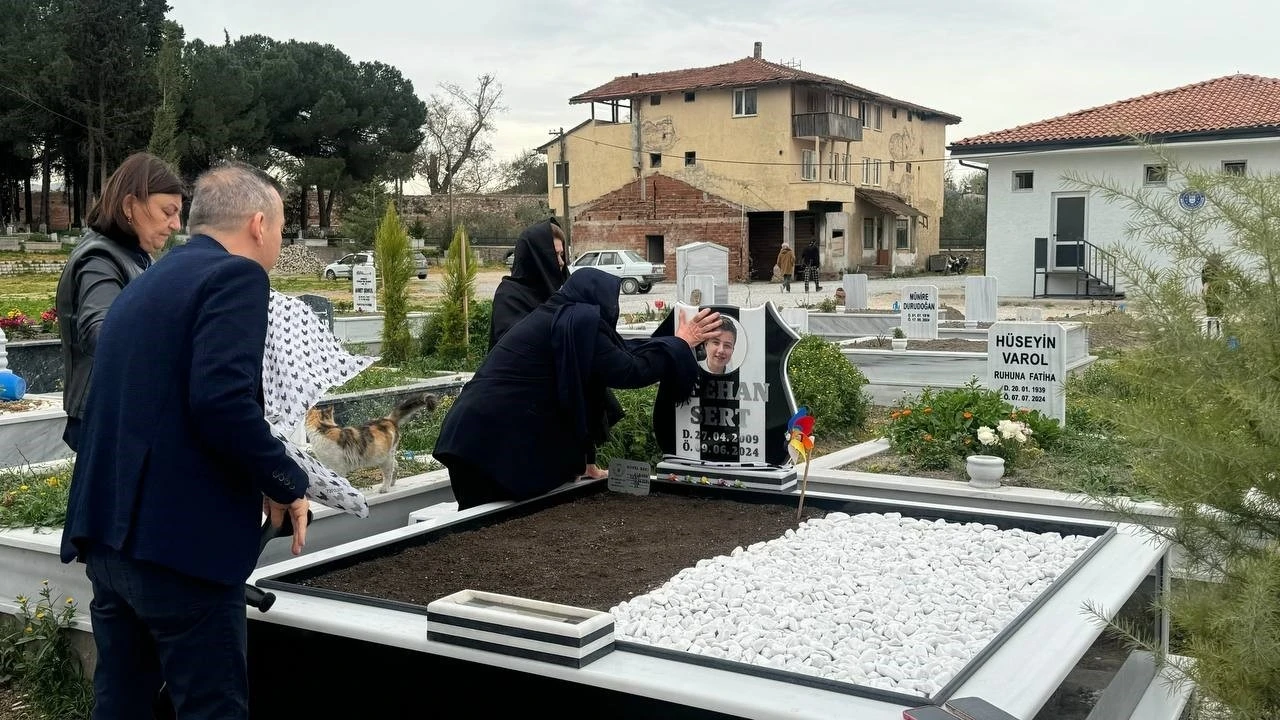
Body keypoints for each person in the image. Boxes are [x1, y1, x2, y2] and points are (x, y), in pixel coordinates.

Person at [59, 162, 311, 720]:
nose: (278, 241)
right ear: (258, 224)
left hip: (110, 538)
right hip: (179, 552)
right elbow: (221, 402)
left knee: (121, 703)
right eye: (281, 227)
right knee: (211, 707)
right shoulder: (237, 277)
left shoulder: (149, 280)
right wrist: (285, 481)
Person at [435, 267, 721, 510]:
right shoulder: (578, 322)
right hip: (487, 445)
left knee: (490, 530)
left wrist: (585, 463)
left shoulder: (560, 318)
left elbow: (606, 365)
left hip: (471, 436)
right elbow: (629, 370)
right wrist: (682, 342)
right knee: (489, 532)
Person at [54, 152, 183, 451]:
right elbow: (100, 332)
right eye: (168, 211)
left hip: (123, 411)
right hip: (108, 416)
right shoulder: (100, 258)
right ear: (129, 206)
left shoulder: (134, 256)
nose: (176, 224)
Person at [488, 218, 568, 349]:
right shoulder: (509, 296)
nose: (561, 262)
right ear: (535, 257)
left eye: (562, 254)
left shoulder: (561, 291)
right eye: (554, 255)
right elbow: (517, 345)